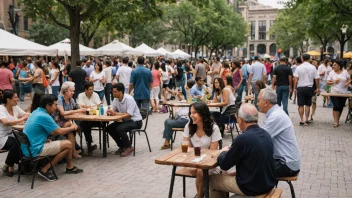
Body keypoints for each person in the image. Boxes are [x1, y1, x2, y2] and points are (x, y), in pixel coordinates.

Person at [209, 103, 276, 197]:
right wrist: (238, 173)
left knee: (211, 180)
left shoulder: (243, 138)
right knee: (226, 176)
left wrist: (222, 152)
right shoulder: (265, 134)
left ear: (240, 120)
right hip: (267, 183)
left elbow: (224, 164)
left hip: (250, 187)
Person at [21, 94, 83, 181]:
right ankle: (45, 170)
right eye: (55, 105)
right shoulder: (44, 116)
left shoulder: (36, 112)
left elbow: (52, 131)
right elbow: (60, 131)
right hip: (34, 149)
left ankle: (70, 167)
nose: (56, 107)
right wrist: (73, 127)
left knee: (65, 143)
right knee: (68, 144)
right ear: (47, 106)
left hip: (28, 147)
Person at [258, 88, 301, 177]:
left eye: (258, 101)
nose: (257, 103)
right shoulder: (276, 112)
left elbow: (259, 139)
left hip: (287, 164)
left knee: (250, 167)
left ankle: (258, 190)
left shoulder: (276, 116)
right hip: (287, 161)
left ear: (266, 102)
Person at [183, 102, 222, 198]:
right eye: (190, 113)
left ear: (203, 113)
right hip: (194, 160)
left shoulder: (214, 128)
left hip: (210, 162)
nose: (191, 115)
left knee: (200, 171)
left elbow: (212, 152)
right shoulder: (189, 126)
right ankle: (202, 192)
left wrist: (198, 155)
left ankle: (199, 195)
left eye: (194, 112)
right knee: (197, 170)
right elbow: (186, 146)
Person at [107, 83, 143, 157]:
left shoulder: (129, 99)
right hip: (125, 120)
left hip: (135, 121)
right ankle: (122, 146)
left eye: (115, 92)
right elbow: (112, 108)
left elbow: (129, 114)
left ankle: (128, 147)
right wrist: (110, 110)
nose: (113, 93)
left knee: (120, 129)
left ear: (120, 92)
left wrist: (116, 114)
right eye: (113, 91)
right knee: (109, 128)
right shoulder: (116, 98)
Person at [52, 82, 86, 159]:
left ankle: (73, 152)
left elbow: (78, 107)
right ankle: (76, 150)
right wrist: (76, 111)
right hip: (57, 124)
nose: (73, 93)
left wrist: (83, 109)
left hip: (66, 124)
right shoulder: (60, 99)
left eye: (73, 91)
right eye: (71, 91)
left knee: (71, 131)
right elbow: (63, 113)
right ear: (66, 91)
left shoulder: (71, 100)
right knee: (71, 125)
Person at [0, 90, 29, 176]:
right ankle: (9, 164)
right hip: (2, 136)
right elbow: (5, 122)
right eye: (15, 97)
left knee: (24, 140)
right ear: (8, 100)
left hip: (11, 133)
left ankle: (20, 164)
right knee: (16, 143)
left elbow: (25, 114)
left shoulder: (15, 107)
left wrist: (36, 114)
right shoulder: (1, 109)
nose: (18, 99)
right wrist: (20, 120)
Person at [293, 54, 320, 126]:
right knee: (308, 105)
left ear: (302, 59)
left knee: (300, 105)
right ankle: (306, 119)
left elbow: (295, 79)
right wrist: (317, 88)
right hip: (309, 88)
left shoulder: (298, 67)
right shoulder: (313, 67)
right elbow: (317, 79)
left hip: (300, 88)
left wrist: (295, 88)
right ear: (309, 59)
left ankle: (302, 119)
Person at [76, 82, 100, 155]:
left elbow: (98, 105)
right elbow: (81, 106)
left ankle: (90, 145)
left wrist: (87, 107)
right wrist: (92, 106)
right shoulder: (81, 95)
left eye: (92, 89)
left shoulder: (95, 94)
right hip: (85, 118)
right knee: (86, 124)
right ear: (85, 90)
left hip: (96, 118)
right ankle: (89, 145)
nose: (92, 91)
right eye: (90, 89)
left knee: (102, 125)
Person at [327, 59, 351, 127]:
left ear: (339, 66)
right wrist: (334, 82)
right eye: (333, 65)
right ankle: (335, 121)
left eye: (335, 65)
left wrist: (347, 83)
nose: (333, 66)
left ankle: (337, 120)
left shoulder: (345, 72)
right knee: (336, 106)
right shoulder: (331, 73)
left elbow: (349, 80)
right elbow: (328, 82)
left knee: (340, 107)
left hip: (343, 93)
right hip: (334, 92)